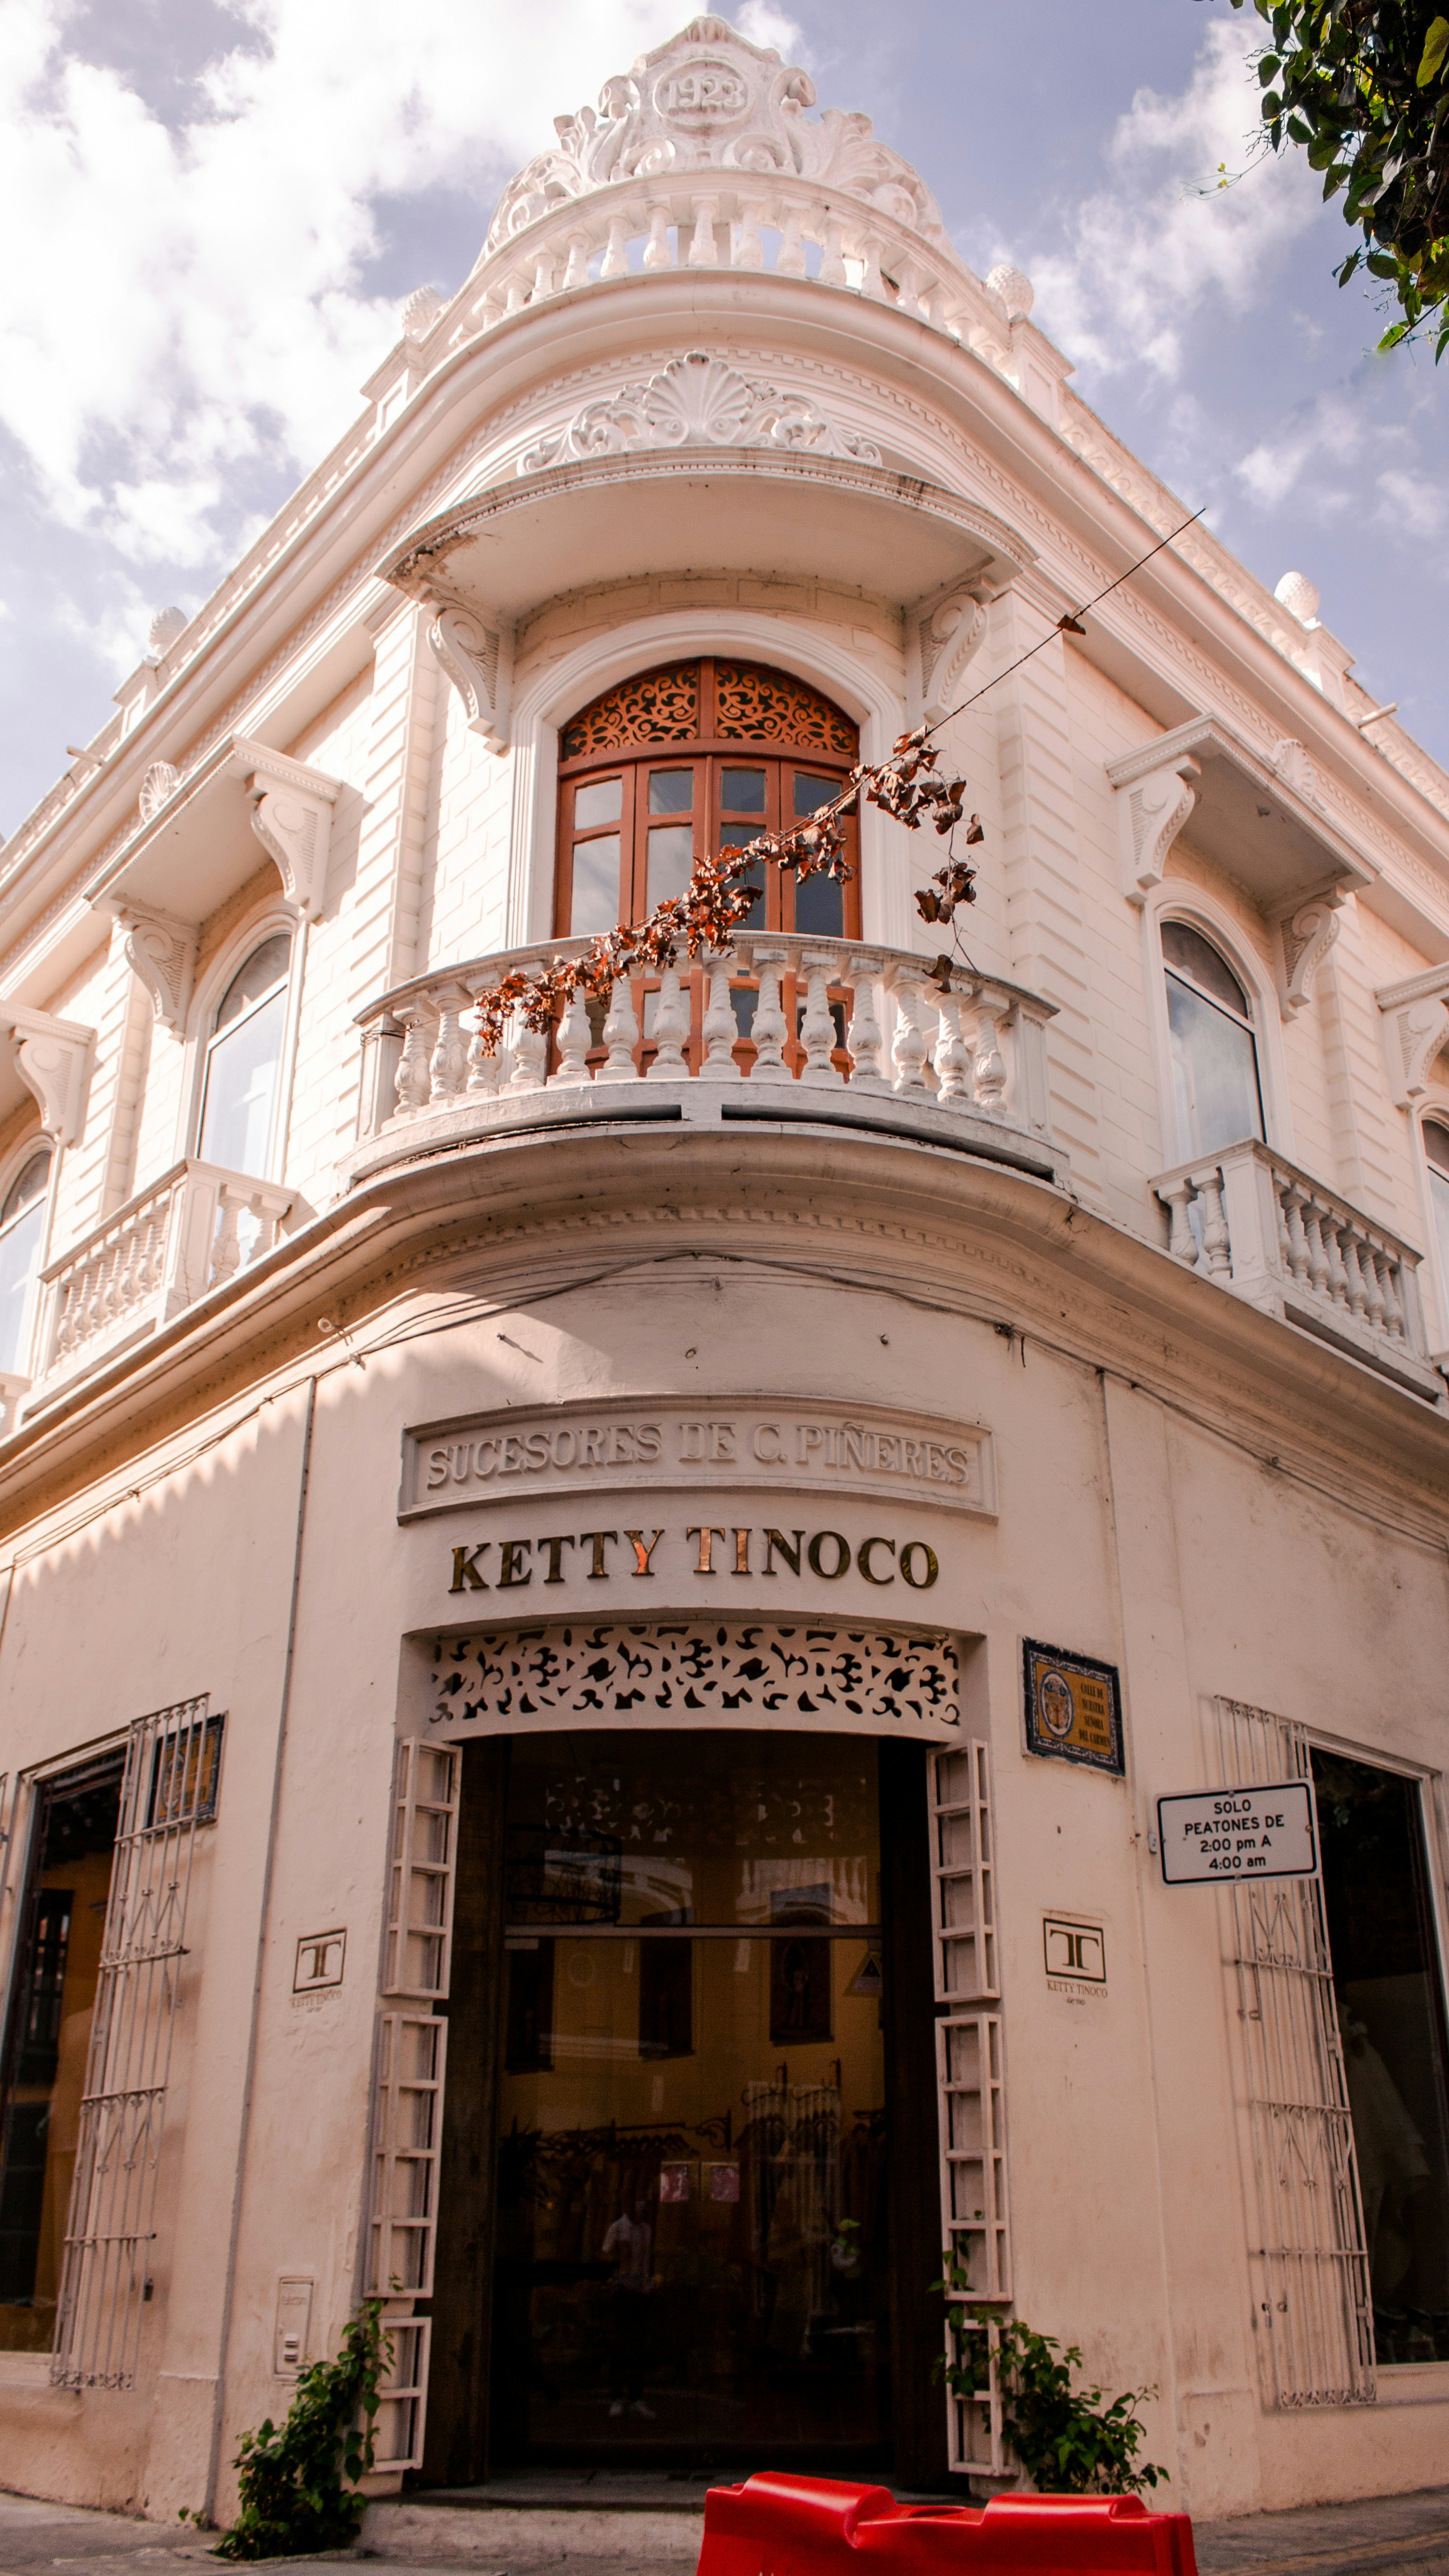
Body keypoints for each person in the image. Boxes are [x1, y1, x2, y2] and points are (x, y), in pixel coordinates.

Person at [602, 2198, 655, 2419]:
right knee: (621, 2345)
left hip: (640, 2291)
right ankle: (616, 2397)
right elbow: (606, 2253)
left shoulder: (646, 2230)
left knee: (638, 2346)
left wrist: (648, 2283)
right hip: (623, 2290)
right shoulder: (618, 2228)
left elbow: (647, 2258)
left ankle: (635, 2396)